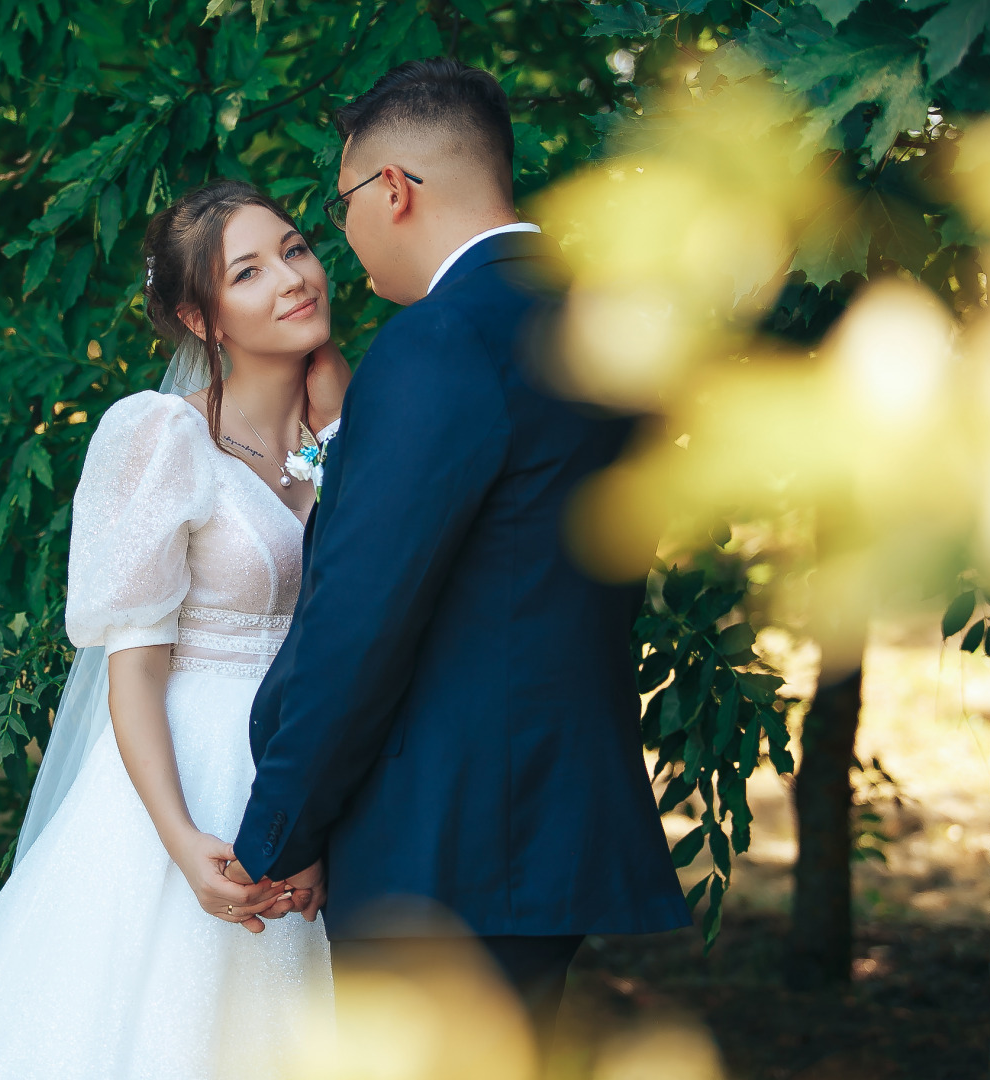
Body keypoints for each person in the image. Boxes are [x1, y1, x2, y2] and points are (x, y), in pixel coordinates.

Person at [225, 58, 692, 1051]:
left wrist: (278, 832)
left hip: (438, 846)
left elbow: (361, 616)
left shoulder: (436, 344)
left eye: (342, 204)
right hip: (547, 829)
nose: (341, 240)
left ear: (391, 189)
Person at [0, 179, 350, 1080]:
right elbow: (133, 671)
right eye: (247, 272)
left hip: (311, 760)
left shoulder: (333, 428)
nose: (292, 278)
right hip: (187, 773)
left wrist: (335, 407)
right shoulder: (159, 437)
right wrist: (177, 840)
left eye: (295, 249)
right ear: (200, 318)